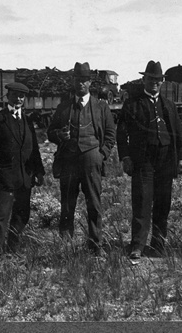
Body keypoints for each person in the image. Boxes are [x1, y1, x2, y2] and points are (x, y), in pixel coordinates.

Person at [116, 60, 182, 262]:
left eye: (158, 80)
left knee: (163, 203)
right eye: (151, 79)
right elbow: (121, 133)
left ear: (162, 82)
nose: (154, 83)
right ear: (144, 80)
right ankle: (137, 245)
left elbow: (178, 133)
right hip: (143, 160)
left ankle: (158, 245)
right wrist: (126, 156)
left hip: (166, 160)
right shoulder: (132, 104)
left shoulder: (168, 105)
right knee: (142, 202)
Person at [47, 62, 116, 257]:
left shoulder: (101, 107)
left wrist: (101, 154)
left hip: (92, 160)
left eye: (84, 80)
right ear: (73, 81)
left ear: (90, 83)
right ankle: (65, 246)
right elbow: (50, 132)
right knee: (67, 203)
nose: (81, 84)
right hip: (68, 160)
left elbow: (110, 134)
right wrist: (59, 135)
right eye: (77, 80)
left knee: (94, 203)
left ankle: (95, 244)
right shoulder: (64, 107)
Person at [0, 82, 45, 256]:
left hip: (25, 177)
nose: (18, 99)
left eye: (22, 96)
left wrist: (39, 171)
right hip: (6, 176)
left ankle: (12, 248)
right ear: (8, 96)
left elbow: (34, 149)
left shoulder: (27, 120)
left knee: (22, 215)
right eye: (15, 95)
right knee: (2, 216)